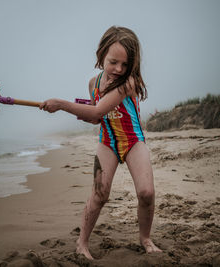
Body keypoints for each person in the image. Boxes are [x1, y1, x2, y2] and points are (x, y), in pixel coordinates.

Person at [39, 26, 162, 259]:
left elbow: (97, 109)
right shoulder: (93, 84)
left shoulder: (129, 83)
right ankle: (82, 242)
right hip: (107, 141)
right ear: (101, 55)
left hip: (133, 141)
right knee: (100, 193)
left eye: (125, 65)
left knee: (146, 192)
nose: (119, 69)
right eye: (114, 62)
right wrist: (84, 114)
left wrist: (61, 105)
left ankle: (145, 238)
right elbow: (97, 117)